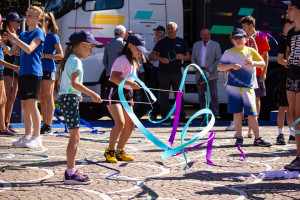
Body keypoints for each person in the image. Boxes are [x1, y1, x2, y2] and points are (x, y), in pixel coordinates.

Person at [59, 30, 103, 184]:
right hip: (69, 100)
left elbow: (67, 84)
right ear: (83, 45)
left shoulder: (72, 59)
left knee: (75, 137)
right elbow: (75, 83)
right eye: (90, 48)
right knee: (74, 138)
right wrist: (92, 94)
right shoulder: (76, 60)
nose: (91, 52)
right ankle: (70, 174)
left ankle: (71, 170)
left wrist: (76, 94)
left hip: (69, 99)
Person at [217, 28, 272, 147]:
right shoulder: (228, 52)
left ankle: (257, 138)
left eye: (240, 37)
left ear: (246, 39)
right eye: (235, 38)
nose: (238, 40)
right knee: (237, 113)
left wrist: (253, 63)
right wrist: (231, 65)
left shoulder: (251, 51)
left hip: (248, 87)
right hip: (233, 88)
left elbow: (262, 63)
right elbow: (219, 67)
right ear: (232, 40)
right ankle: (239, 137)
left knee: (252, 113)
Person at [2, 6, 45, 148]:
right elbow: (11, 52)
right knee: (25, 105)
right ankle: (27, 135)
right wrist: (2, 42)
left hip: (34, 72)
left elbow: (29, 49)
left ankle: (37, 137)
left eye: (30, 16)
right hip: (23, 72)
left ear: (37, 18)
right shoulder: (24, 34)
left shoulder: (39, 32)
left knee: (32, 105)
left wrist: (15, 38)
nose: (27, 18)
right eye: (26, 15)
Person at [103, 33, 147, 163]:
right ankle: (109, 150)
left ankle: (119, 150)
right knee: (120, 123)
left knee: (130, 124)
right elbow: (113, 77)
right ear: (130, 45)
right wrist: (130, 84)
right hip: (114, 91)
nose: (140, 52)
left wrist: (131, 92)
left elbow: (130, 78)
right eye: (138, 48)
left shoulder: (134, 60)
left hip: (127, 93)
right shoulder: (122, 59)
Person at [149, 22, 190, 125]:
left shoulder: (181, 42)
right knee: (164, 96)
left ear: (176, 30)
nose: (170, 30)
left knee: (179, 95)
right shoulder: (162, 42)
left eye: (172, 28)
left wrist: (182, 57)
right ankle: (165, 118)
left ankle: (181, 118)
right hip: (163, 73)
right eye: (168, 28)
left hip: (176, 73)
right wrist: (161, 59)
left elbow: (188, 57)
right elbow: (151, 56)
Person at [241, 15, 271, 138]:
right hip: (245, 73)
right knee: (246, 100)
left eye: (244, 26)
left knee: (256, 99)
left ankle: (252, 127)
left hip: (258, 72)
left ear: (251, 26)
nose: (242, 28)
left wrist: (264, 72)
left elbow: (266, 55)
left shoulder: (261, 36)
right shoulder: (243, 38)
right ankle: (248, 126)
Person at [39, 12, 64, 135]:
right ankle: (44, 123)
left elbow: (61, 55)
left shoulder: (53, 37)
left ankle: (48, 125)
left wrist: (45, 56)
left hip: (49, 68)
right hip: (38, 69)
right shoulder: (39, 35)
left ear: (47, 22)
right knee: (41, 97)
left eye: (41, 21)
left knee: (48, 97)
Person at [284, 0, 300, 171]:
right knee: (294, 116)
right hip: (292, 76)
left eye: (291, 8)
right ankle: (298, 156)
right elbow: (289, 53)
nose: (288, 11)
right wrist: (288, 61)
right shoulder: (290, 33)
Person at [191, 28, 221, 119]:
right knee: (201, 96)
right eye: (204, 34)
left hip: (211, 73)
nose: (206, 36)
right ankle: (204, 116)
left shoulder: (215, 45)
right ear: (201, 36)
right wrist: (198, 68)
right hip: (199, 73)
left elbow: (218, 59)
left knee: (214, 95)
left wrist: (209, 69)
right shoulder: (196, 45)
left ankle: (214, 115)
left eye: (208, 34)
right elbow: (193, 59)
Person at [1, 12, 22, 134]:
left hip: (16, 67)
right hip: (7, 68)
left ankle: (7, 123)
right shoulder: (4, 35)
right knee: (8, 95)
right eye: (17, 21)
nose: (19, 23)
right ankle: (3, 123)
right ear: (10, 22)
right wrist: (9, 51)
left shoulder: (15, 35)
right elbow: (2, 52)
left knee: (13, 96)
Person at [276, 14, 295, 145]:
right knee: (282, 106)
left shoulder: (292, 38)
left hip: (293, 75)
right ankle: (280, 134)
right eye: (292, 24)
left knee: (290, 107)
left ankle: (292, 134)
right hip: (284, 76)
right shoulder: (283, 39)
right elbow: (279, 59)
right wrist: (289, 63)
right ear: (287, 25)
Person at [102, 25, 126, 98]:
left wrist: (109, 69)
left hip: (109, 74)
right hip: (121, 75)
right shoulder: (124, 44)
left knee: (112, 96)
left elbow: (104, 60)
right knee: (121, 97)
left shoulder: (108, 44)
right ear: (122, 33)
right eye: (124, 33)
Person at [148, 25, 165, 121]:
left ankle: (163, 114)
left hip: (163, 70)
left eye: (158, 32)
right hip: (155, 68)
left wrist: (156, 56)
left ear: (162, 33)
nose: (156, 34)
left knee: (163, 93)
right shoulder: (154, 42)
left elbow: (159, 55)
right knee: (153, 91)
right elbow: (150, 57)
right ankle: (154, 113)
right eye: (156, 32)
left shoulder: (165, 42)